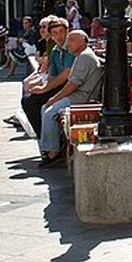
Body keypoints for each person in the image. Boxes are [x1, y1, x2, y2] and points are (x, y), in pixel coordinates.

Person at [38, 30, 105, 167]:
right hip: (77, 95)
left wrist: (55, 98)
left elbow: (73, 84)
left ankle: (53, 153)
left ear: (83, 42)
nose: (68, 43)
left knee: (49, 112)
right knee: (45, 107)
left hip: (81, 98)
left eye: (72, 40)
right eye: (68, 40)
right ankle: (51, 147)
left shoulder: (84, 57)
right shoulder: (81, 56)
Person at [21, 17, 75, 137]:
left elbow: (66, 74)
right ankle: (43, 136)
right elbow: (52, 75)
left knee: (40, 103)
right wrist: (44, 87)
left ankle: (48, 139)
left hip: (71, 87)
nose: (59, 36)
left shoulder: (70, 47)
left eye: (62, 32)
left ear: (67, 32)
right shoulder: (55, 50)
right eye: (55, 33)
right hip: (59, 85)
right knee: (29, 100)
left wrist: (45, 89)